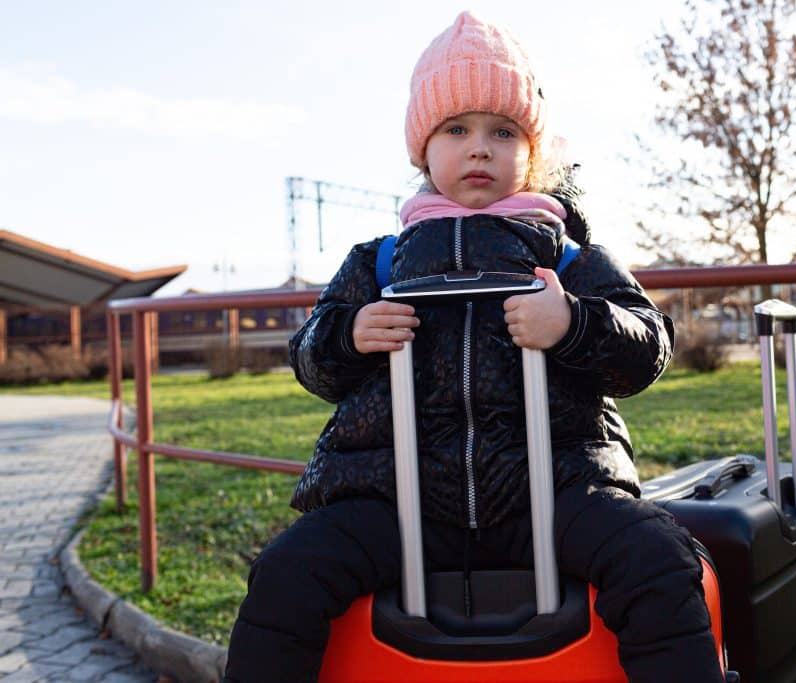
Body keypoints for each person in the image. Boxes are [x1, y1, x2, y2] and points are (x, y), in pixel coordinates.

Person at [224, 11, 722, 683]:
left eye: (503, 130)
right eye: (456, 129)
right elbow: (309, 354)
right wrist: (350, 334)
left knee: (659, 559)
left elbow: (647, 345)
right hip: (394, 495)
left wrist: (572, 321)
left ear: (533, 150)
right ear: (422, 151)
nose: (479, 148)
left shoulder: (568, 255)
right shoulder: (382, 262)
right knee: (286, 574)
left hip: (554, 484)